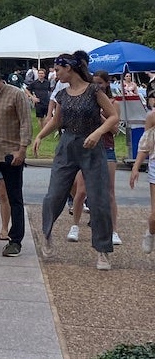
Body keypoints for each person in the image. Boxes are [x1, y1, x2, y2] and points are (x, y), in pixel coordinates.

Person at [34, 52, 119, 269]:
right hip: (67, 145)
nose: (55, 73)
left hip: (92, 146)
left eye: (57, 69)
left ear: (68, 68)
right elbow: (56, 120)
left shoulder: (94, 90)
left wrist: (98, 133)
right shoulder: (62, 94)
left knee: (98, 198)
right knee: (54, 194)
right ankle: (47, 234)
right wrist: (40, 136)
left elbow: (113, 116)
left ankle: (102, 251)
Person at [66, 70, 121, 246]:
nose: (97, 86)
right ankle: (75, 225)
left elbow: (115, 130)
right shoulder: (86, 99)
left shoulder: (113, 103)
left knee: (109, 191)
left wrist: (101, 115)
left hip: (106, 147)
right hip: (87, 148)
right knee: (81, 190)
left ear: (106, 83)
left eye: (100, 83)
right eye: (94, 82)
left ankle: (113, 230)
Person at [128, 121, 155, 254]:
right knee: (154, 216)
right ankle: (150, 232)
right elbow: (145, 145)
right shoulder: (152, 116)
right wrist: (135, 167)